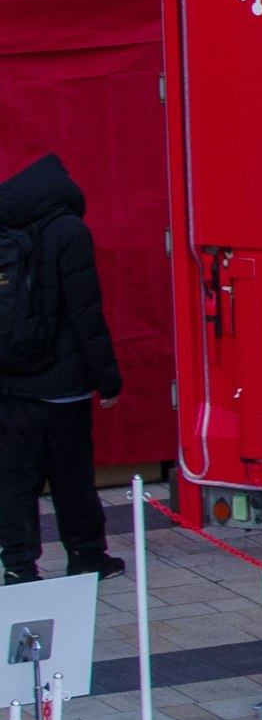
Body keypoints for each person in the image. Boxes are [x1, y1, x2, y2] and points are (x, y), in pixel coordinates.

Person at [0, 152, 123, 584]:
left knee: (15, 480)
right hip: (63, 386)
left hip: (11, 383)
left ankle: (18, 564)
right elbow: (86, 314)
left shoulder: (8, 228)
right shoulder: (69, 231)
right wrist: (107, 378)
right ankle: (87, 556)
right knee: (72, 478)